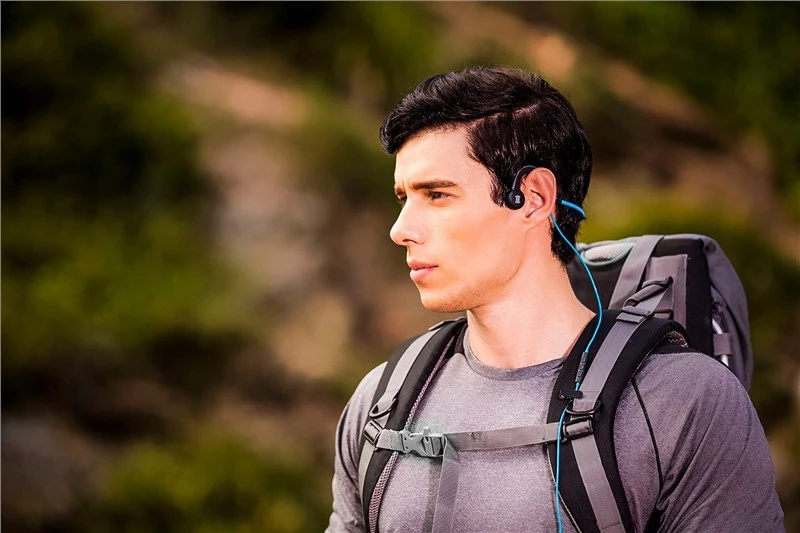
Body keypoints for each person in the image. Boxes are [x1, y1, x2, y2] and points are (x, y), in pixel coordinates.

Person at [325, 66, 784, 532]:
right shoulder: (382, 402)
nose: (400, 229)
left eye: (437, 195)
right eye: (403, 197)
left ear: (533, 197)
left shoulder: (682, 402)